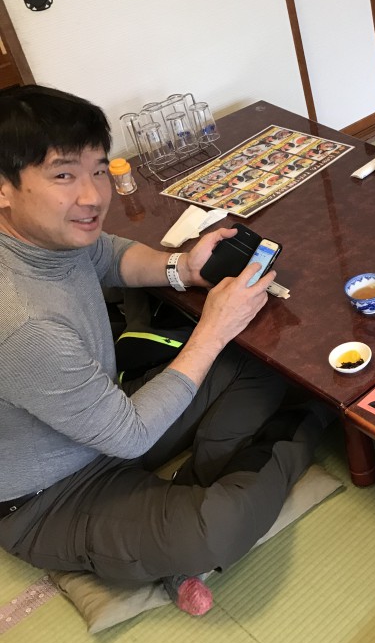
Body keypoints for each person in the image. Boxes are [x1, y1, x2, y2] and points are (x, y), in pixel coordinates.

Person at [0, 85, 324, 616]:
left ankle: (168, 514)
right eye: (63, 175)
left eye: (98, 169)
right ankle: (313, 421)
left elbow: (107, 255)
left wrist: (183, 268)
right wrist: (212, 329)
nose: (93, 196)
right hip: (47, 495)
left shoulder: (44, 235)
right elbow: (129, 435)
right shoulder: (20, 322)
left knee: (258, 362)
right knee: (215, 529)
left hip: (105, 414)